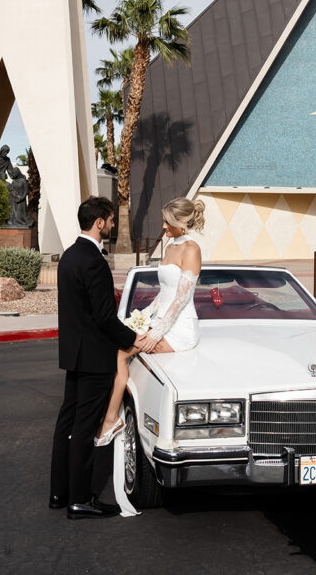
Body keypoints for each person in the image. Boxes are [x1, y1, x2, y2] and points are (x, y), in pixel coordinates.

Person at [49, 196, 146, 520]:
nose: (113, 225)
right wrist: (134, 339)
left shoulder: (69, 256)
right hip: (94, 358)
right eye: (110, 220)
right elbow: (105, 317)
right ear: (100, 221)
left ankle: (59, 493)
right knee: (84, 427)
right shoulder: (93, 260)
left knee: (67, 424)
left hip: (74, 356)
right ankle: (80, 500)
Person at [95, 197, 204, 446]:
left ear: (182, 222)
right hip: (160, 322)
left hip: (180, 329)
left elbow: (180, 298)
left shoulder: (191, 249)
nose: (163, 226)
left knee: (122, 354)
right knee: (118, 348)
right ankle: (112, 415)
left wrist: (155, 334)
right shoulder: (171, 246)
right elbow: (164, 293)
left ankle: (112, 420)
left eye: (168, 222)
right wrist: (143, 315)